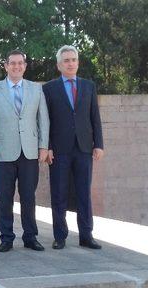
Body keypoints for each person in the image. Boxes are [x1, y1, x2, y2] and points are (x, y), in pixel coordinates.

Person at [0, 49, 50, 253]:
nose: (17, 66)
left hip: (29, 152)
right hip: (3, 152)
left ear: (25, 66)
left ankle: (30, 237)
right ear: (6, 66)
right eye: (12, 63)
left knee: (29, 196)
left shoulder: (36, 89)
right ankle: (7, 238)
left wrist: (43, 146)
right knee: (4, 197)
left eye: (20, 63)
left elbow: (43, 120)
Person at [42, 45, 104, 250]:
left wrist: (99, 144)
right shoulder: (49, 88)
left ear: (78, 63)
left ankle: (86, 235)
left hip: (84, 147)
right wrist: (48, 146)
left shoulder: (89, 86)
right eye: (66, 60)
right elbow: (46, 120)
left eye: (73, 60)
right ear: (59, 65)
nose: (70, 63)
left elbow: (95, 117)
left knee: (84, 193)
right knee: (58, 193)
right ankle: (60, 236)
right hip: (59, 149)